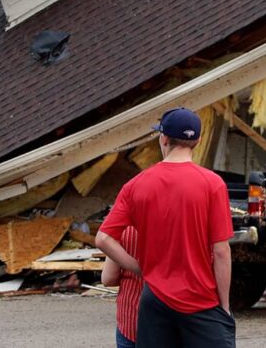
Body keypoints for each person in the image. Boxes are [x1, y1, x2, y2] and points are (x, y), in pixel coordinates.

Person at [95, 107, 235, 348]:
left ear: (163, 138)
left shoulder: (135, 185)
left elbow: (104, 238)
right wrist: (224, 305)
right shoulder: (213, 184)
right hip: (200, 299)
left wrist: (140, 269)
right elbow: (221, 251)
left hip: (155, 300)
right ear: (198, 141)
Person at [101, 226, 143, 348]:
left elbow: (108, 278)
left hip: (132, 318)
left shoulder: (124, 228)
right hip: (173, 319)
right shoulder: (183, 222)